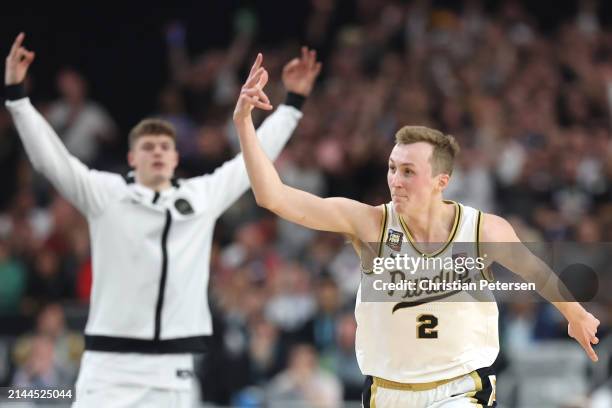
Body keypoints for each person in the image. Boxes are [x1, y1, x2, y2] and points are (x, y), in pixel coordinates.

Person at [232, 58, 600, 407]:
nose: (395, 179)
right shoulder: (372, 224)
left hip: (460, 388)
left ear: (442, 181)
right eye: (393, 168)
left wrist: (575, 313)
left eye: (408, 171)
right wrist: (244, 124)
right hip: (388, 391)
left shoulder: (481, 229)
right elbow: (274, 197)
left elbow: (535, 271)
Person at [4, 33, 321, 407]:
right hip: (109, 368)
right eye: (148, 147)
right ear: (131, 157)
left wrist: (293, 103)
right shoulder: (105, 194)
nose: (157, 152)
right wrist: (17, 97)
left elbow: (254, 161)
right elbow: (51, 160)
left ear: (175, 158)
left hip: (175, 370)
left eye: (165, 147)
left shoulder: (202, 196)